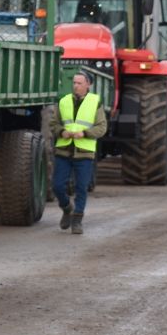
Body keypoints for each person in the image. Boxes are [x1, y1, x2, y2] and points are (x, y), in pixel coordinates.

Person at [50, 70, 107, 234]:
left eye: (79, 83)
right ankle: (67, 207)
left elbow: (102, 127)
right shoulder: (63, 101)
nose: (75, 86)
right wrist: (62, 132)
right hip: (64, 151)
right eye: (74, 83)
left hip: (84, 152)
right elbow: (54, 124)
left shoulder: (95, 102)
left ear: (88, 84)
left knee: (81, 187)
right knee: (57, 186)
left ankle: (77, 220)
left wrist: (86, 133)